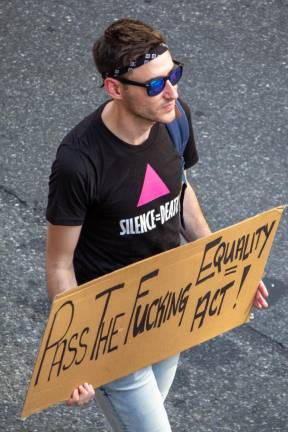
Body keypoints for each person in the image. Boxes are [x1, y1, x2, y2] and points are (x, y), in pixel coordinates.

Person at [45, 18, 269, 432]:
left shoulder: (173, 119)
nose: (172, 92)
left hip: (169, 304)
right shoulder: (79, 162)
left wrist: (227, 263)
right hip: (111, 327)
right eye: (153, 85)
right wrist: (74, 357)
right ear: (114, 88)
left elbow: (179, 191)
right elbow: (60, 264)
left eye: (174, 74)